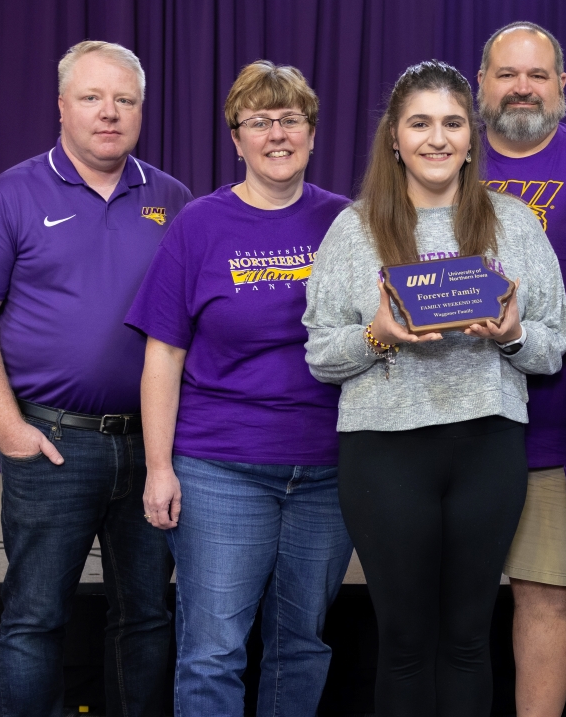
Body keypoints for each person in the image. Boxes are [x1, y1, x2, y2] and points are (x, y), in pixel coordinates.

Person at [303, 60, 566, 717]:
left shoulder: (515, 225)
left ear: (472, 136)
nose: (437, 138)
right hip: (384, 453)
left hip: (487, 447)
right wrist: (379, 334)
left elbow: (552, 345)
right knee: (402, 640)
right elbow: (319, 356)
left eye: (452, 123)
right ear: (394, 138)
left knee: (466, 639)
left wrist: (510, 334)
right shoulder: (354, 229)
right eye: (419, 123)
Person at [0, 41, 191, 717]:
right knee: (34, 619)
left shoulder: (171, 199)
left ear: (141, 110)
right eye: (92, 98)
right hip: (52, 445)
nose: (109, 113)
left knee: (147, 617)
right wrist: (7, 427)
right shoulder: (10, 196)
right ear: (61, 106)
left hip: (152, 448)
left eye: (125, 100)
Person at [125, 61, 354, 716]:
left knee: (302, 646)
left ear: (312, 132)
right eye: (259, 121)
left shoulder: (349, 225)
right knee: (213, 651)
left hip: (327, 471)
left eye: (290, 120)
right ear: (236, 137)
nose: (276, 134)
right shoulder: (198, 226)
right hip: (219, 468)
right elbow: (163, 355)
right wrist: (159, 466)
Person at [476, 20, 566, 716]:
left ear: (563, 85)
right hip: (451, 424)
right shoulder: (441, 156)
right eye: (507, 74)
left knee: (546, 594)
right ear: (482, 85)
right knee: (448, 601)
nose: (523, 88)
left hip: (558, 426)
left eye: (538, 75)